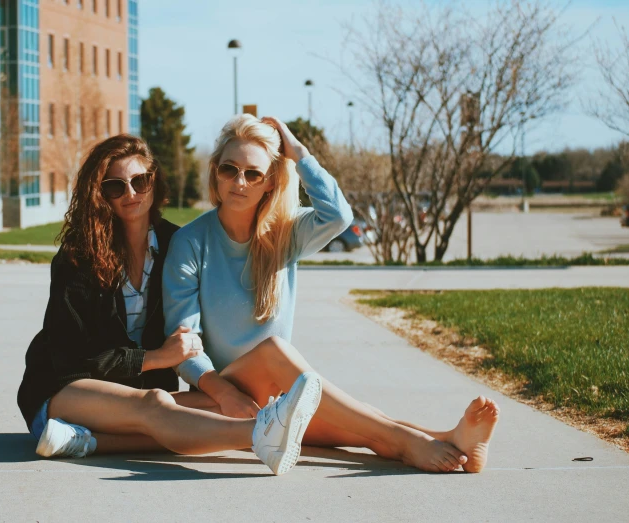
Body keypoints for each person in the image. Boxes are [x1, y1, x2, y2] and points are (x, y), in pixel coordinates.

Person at [163, 115, 500, 473]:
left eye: (253, 173)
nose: (239, 181)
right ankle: (410, 442)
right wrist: (224, 392)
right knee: (278, 352)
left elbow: (338, 216)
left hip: (277, 393)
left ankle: (448, 438)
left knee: (361, 429)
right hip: (224, 392)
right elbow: (184, 345)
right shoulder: (190, 242)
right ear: (215, 172)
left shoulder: (287, 233)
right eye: (229, 169)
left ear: (270, 182)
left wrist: (300, 154)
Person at [16, 134, 323, 476]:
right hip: (66, 389)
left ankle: (84, 441)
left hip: (133, 395)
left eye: (140, 181)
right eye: (116, 186)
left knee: (227, 404)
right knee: (157, 404)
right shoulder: (77, 259)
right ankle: (259, 435)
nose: (131, 194)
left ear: (154, 180)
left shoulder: (176, 244)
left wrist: (298, 156)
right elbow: (71, 358)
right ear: (100, 194)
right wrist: (158, 358)